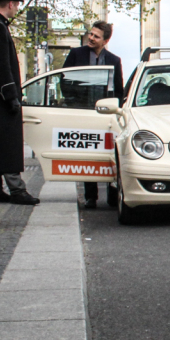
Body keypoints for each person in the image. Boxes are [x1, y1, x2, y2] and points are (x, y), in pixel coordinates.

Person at [0, 0, 39, 205]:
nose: (17, 9)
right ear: (10, 3)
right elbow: (0, 65)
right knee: (7, 143)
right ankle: (17, 190)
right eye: (17, 4)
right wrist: (11, 96)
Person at [64, 20, 124, 209]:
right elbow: (64, 80)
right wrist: (74, 102)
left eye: (96, 36)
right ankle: (91, 197)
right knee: (89, 153)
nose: (91, 38)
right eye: (91, 34)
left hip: (106, 114)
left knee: (110, 154)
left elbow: (119, 90)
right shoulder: (76, 54)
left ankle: (113, 196)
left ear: (105, 41)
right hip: (85, 111)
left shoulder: (114, 61)